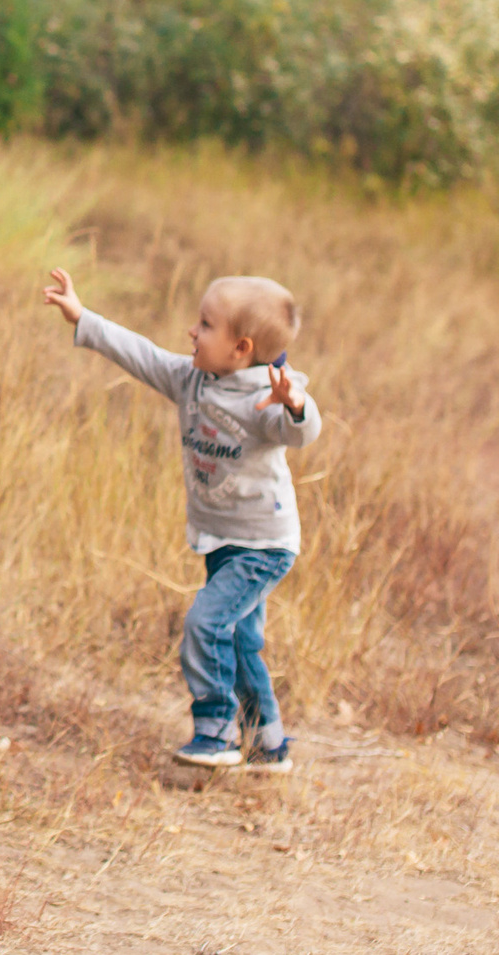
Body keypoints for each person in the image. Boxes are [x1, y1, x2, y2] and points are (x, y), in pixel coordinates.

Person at [41, 267, 321, 771]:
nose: (192, 331)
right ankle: (268, 742)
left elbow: (298, 432)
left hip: (263, 544)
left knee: (206, 623)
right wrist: (83, 317)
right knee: (239, 638)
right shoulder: (190, 380)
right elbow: (141, 353)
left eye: (206, 324)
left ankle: (215, 732)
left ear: (242, 348)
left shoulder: (267, 398)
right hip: (221, 537)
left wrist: (296, 406)